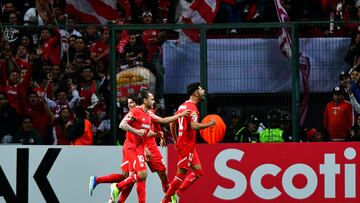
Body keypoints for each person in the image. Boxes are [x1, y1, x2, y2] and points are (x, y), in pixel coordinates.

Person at [161, 82, 216, 203]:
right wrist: (210, 124)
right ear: (196, 93)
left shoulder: (183, 106)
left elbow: (172, 123)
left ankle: (178, 194)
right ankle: (165, 200)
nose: (204, 91)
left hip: (187, 144)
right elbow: (194, 126)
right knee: (180, 174)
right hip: (186, 145)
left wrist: (175, 139)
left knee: (198, 172)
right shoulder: (193, 109)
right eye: (201, 89)